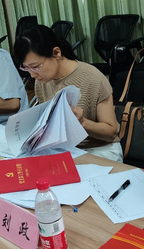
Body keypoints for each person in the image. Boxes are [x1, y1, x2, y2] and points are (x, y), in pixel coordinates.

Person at [14, 25, 122, 162]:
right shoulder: (42, 80)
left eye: (35, 66)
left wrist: (82, 122)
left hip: (98, 149)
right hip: (63, 148)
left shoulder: (93, 78)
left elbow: (111, 133)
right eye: (26, 68)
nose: (32, 74)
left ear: (56, 53)